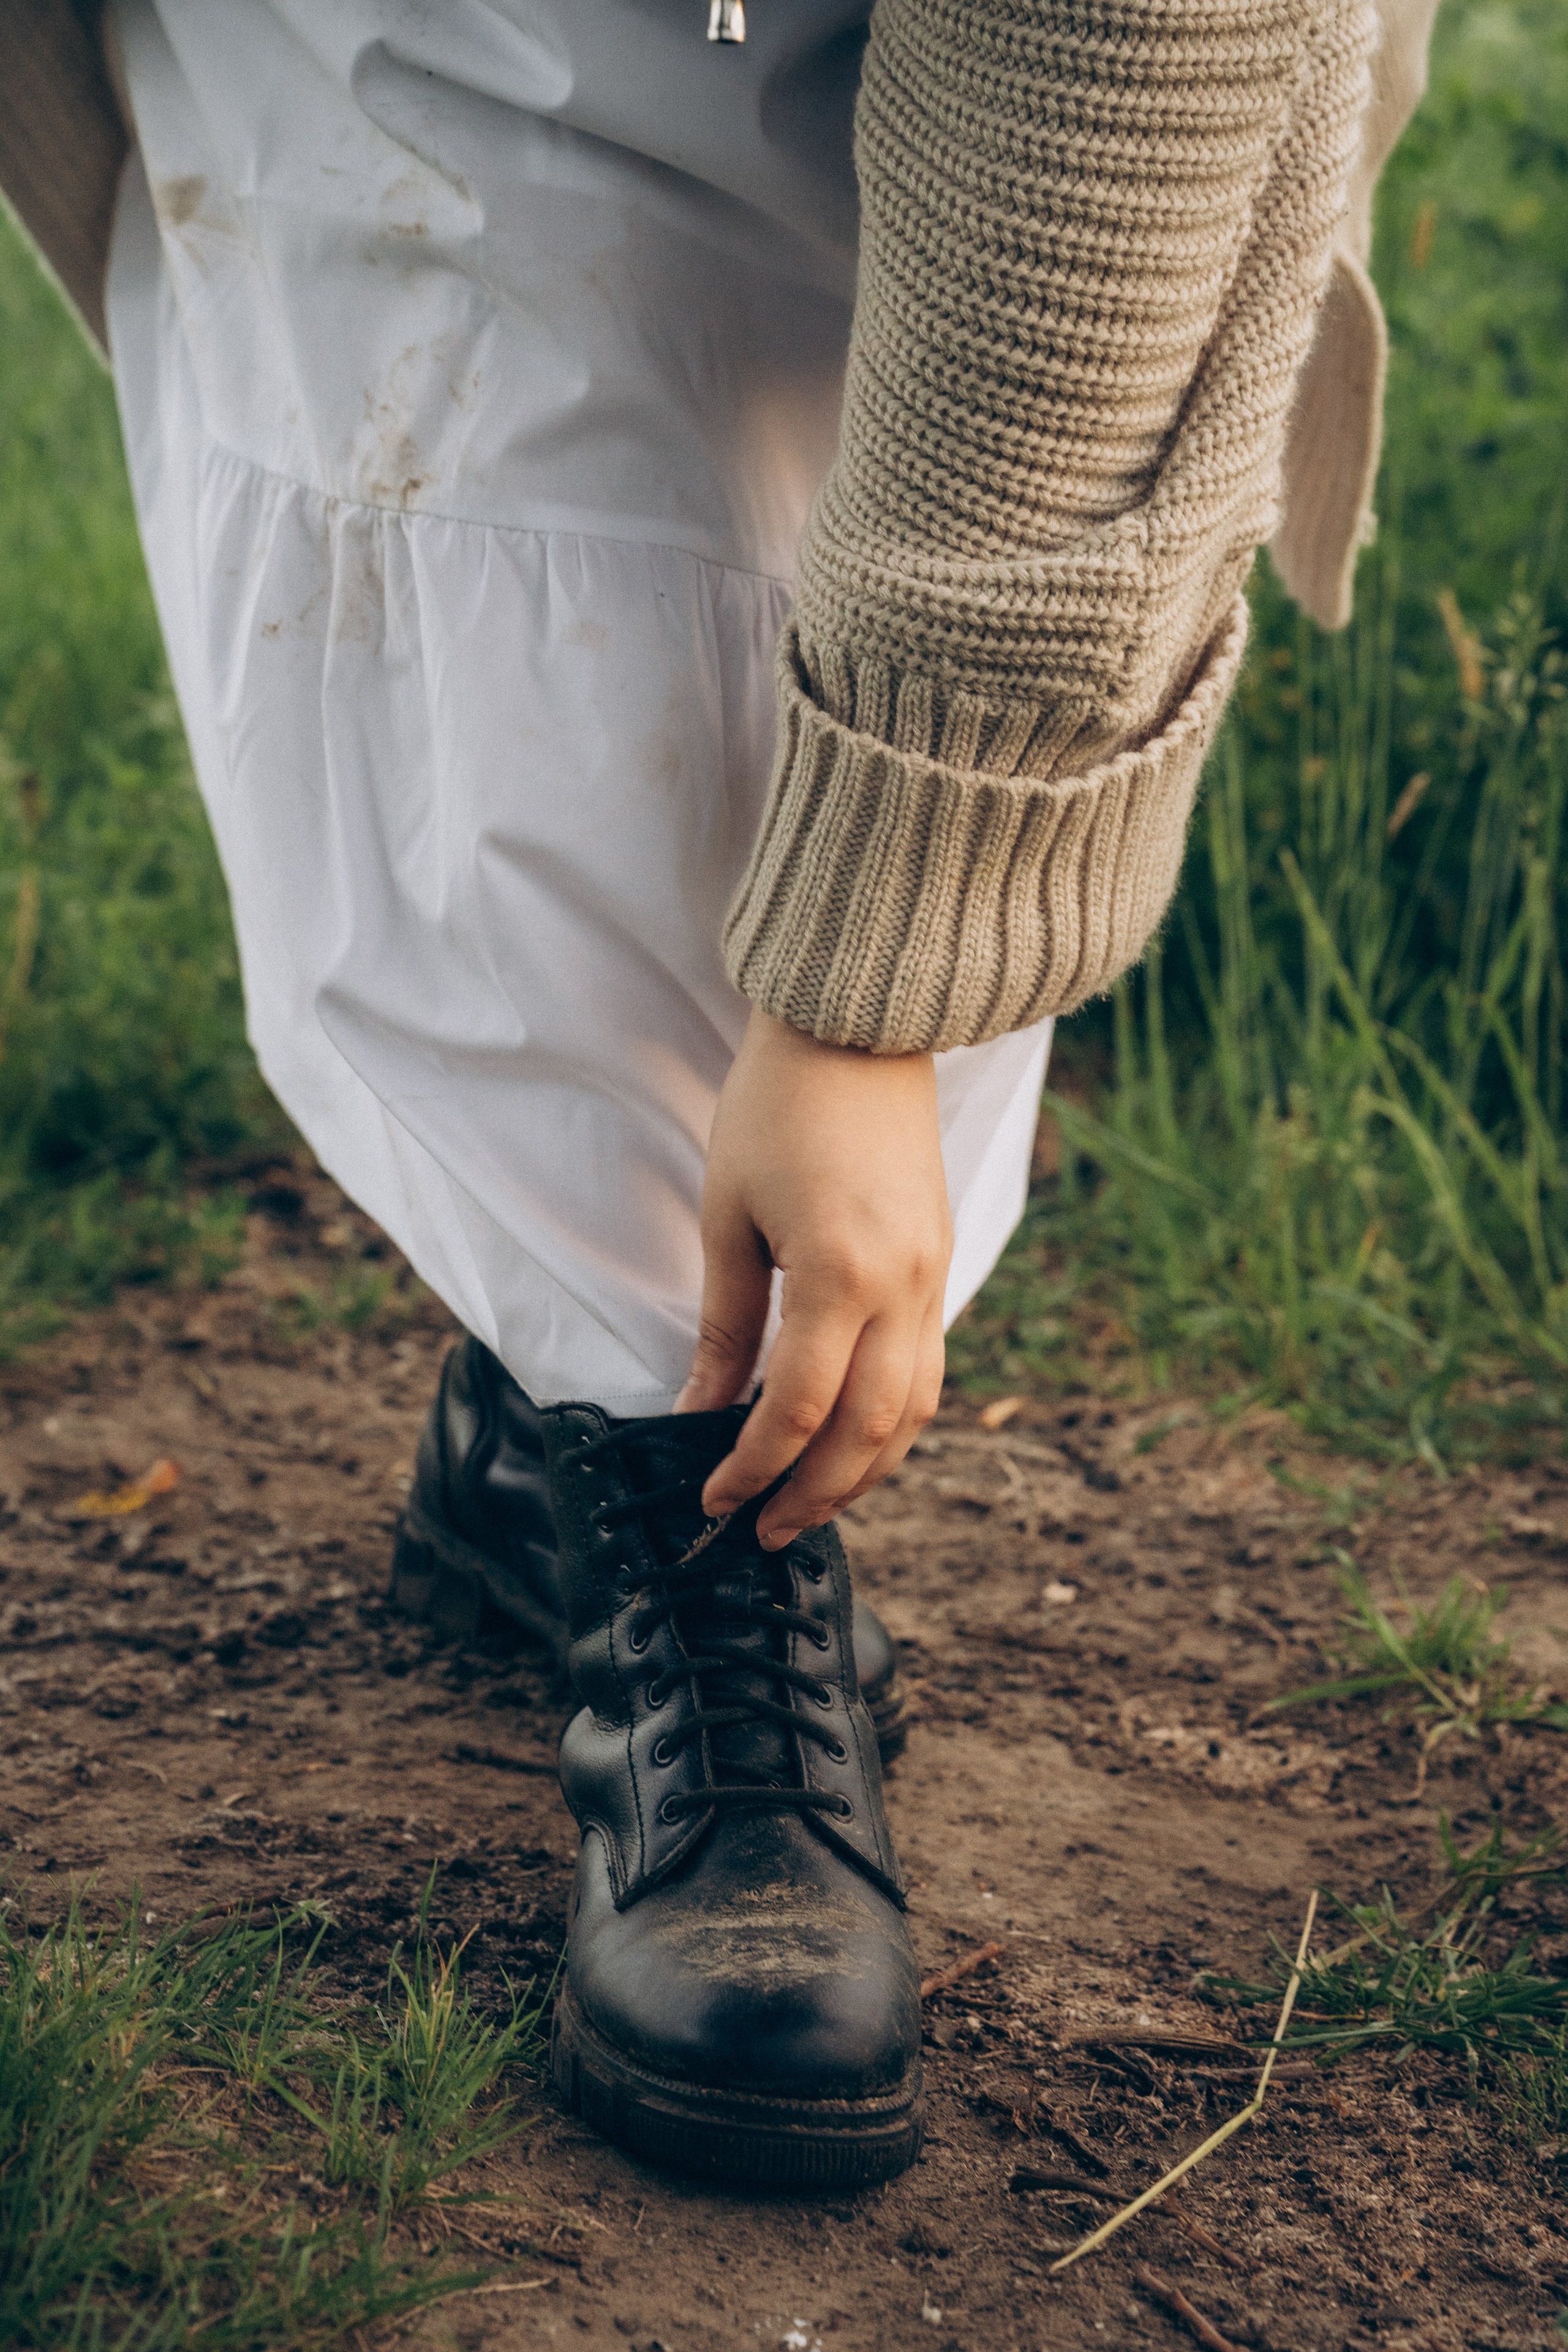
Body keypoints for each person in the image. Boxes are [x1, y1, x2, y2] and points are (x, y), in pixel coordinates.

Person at [2, 0, 1436, 2191]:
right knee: (483, 479)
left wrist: (873, 994)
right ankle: (635, 1439)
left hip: (1011, 113)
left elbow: (1118, 106)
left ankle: (615, 1453)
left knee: (785, 445)